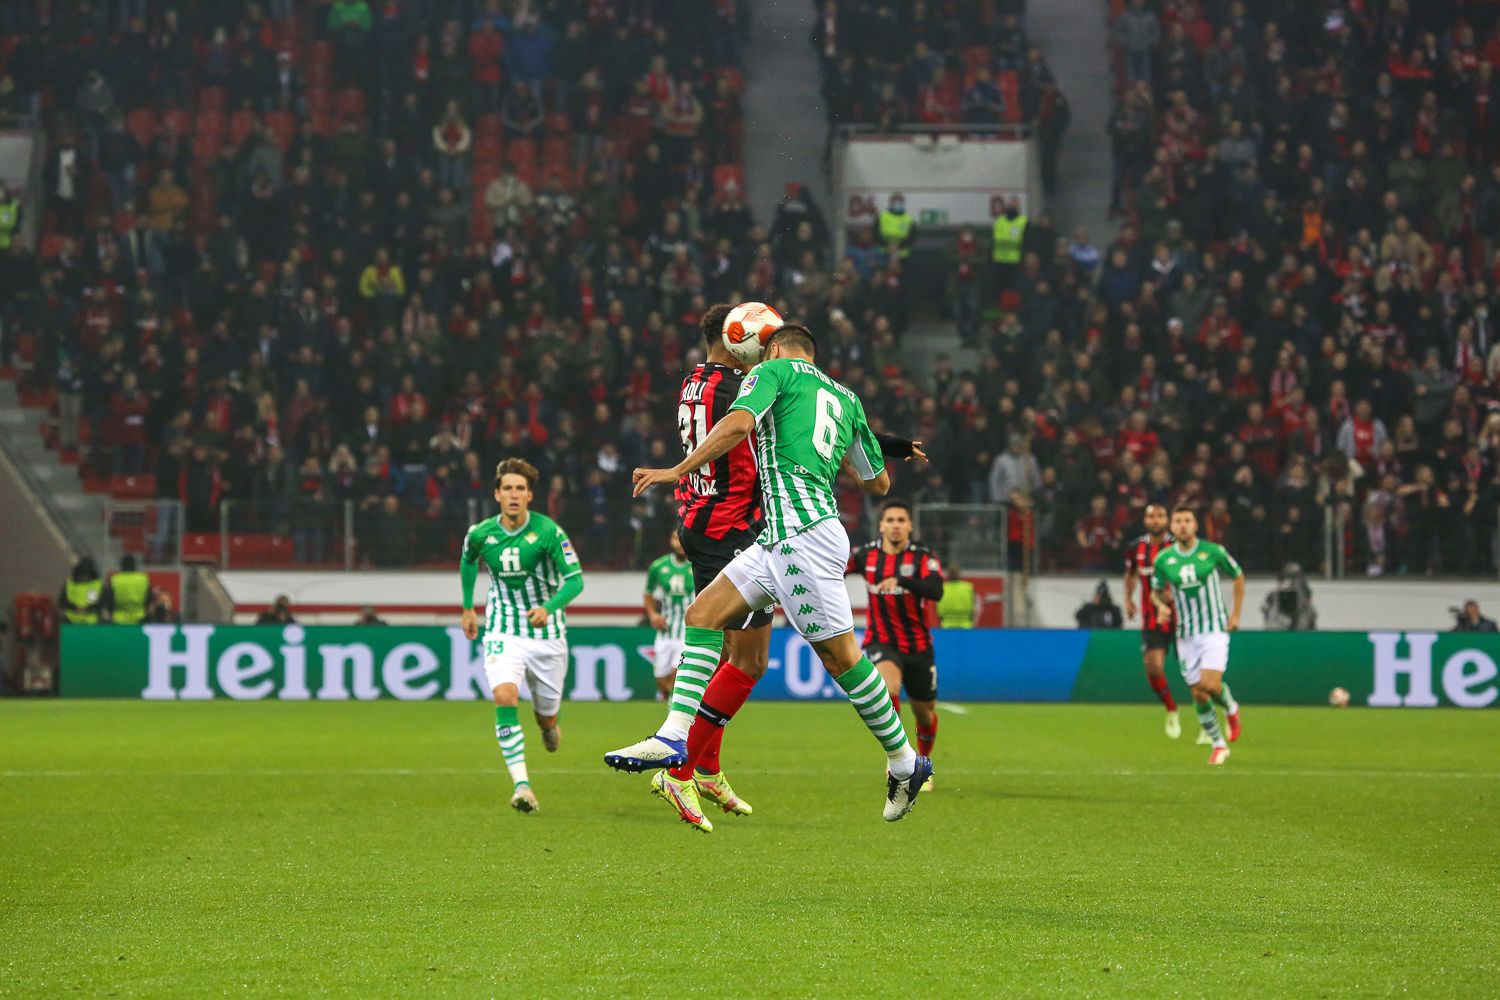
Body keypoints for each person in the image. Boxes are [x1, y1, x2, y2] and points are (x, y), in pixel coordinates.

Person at [617, 323, 933, 826]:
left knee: (842, 659)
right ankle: (675, 736)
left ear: (776, 349)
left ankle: (903, 760)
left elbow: (738, 424)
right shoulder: (845, 397)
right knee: (703, 615)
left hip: (802, 537)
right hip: (777, 539)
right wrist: (860, 448)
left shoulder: (774, 370)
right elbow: (878, 483)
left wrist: (678, 470)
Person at [460, 458, 585, 814]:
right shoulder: (481, 533)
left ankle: (548, 726)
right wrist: (468, 607)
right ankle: (522, 786)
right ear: (497, 494)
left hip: (547, 635)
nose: (513, 495)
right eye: (507, 489)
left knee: (545, 718)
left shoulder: (549, 532)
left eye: (520, 489)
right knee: (504, 696)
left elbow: (575, 579)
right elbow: (468, 559)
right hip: (502, 628)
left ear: (529, 495)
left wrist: (549, 606)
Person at [848, 499, 944, 789]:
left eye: (901, 520)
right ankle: (898, 759)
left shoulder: (922, 557)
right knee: (888, 691)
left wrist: (903, 580)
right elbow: (834, 569)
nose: (896, 525)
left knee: (924, 713)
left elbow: (936, 590)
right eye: (890, 520)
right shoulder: (864, 555)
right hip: (881, 639)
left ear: (910, 526)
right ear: (881, 525)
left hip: (918, 646)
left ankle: (921, 765)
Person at [1150, 506, 1246, 765]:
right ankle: (1218, 745)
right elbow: (1156, 591)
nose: (1182, 525)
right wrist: (1160, 607)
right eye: (1178, 521)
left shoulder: (1213, 552)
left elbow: (1238, 576)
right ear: (1172, 527)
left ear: (1195, 526)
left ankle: (1232, 708)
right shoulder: (1163, 560)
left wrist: (1235, 615)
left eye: (1187, 521)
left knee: (1210, 685)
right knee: (1198, 694)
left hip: (1214, 629)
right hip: (1185, 634)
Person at [1123, 503, 1181, 738]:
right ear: (1145, 520)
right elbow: (1131, 575)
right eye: (1151, 516)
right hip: (1151, 618)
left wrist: (1175, 594)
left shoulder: (1178, 546)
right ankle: (1171, 708)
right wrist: (1128, 599)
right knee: (1154, 666)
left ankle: (1206, 718)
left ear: (1167, 519)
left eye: (1160, 516)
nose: (1156, 520)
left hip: (1181, 617)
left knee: (1195, 672)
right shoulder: (1135, 547)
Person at [643, 532, 695, 700]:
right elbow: (648, 593)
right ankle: (668, 700)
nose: (679, 543)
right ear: (670, 541)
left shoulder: (697, 565)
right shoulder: (659, 566)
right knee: (661, 680)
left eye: (681, 538)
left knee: (676, 676)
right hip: (665, 630)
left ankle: (675, 717)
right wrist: (652, 615)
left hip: (687, 631)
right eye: (675, 538)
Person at [102, 554, 151, 625]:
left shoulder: (114, 580)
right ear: (135, 565)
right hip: (140, 618)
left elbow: (107, 600)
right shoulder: (144, 579)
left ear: (121, 565)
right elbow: (149, 598)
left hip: (118, 619)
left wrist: (112, 613)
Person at [58, 557, 104, 625]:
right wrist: (76, 608)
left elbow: (99, 604)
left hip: (89, 623)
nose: (84, 576)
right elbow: (62, 602)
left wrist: (84, 609)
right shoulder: (70, 583)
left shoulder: (96, 585)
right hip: (71, 621)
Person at [936, 563, 976, 627]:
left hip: (946, 627)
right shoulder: (968, 588)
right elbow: (974, 610)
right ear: (959, 574)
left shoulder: (942, 588)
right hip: (966, 627)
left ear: (948, 574)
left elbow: (937, 610)